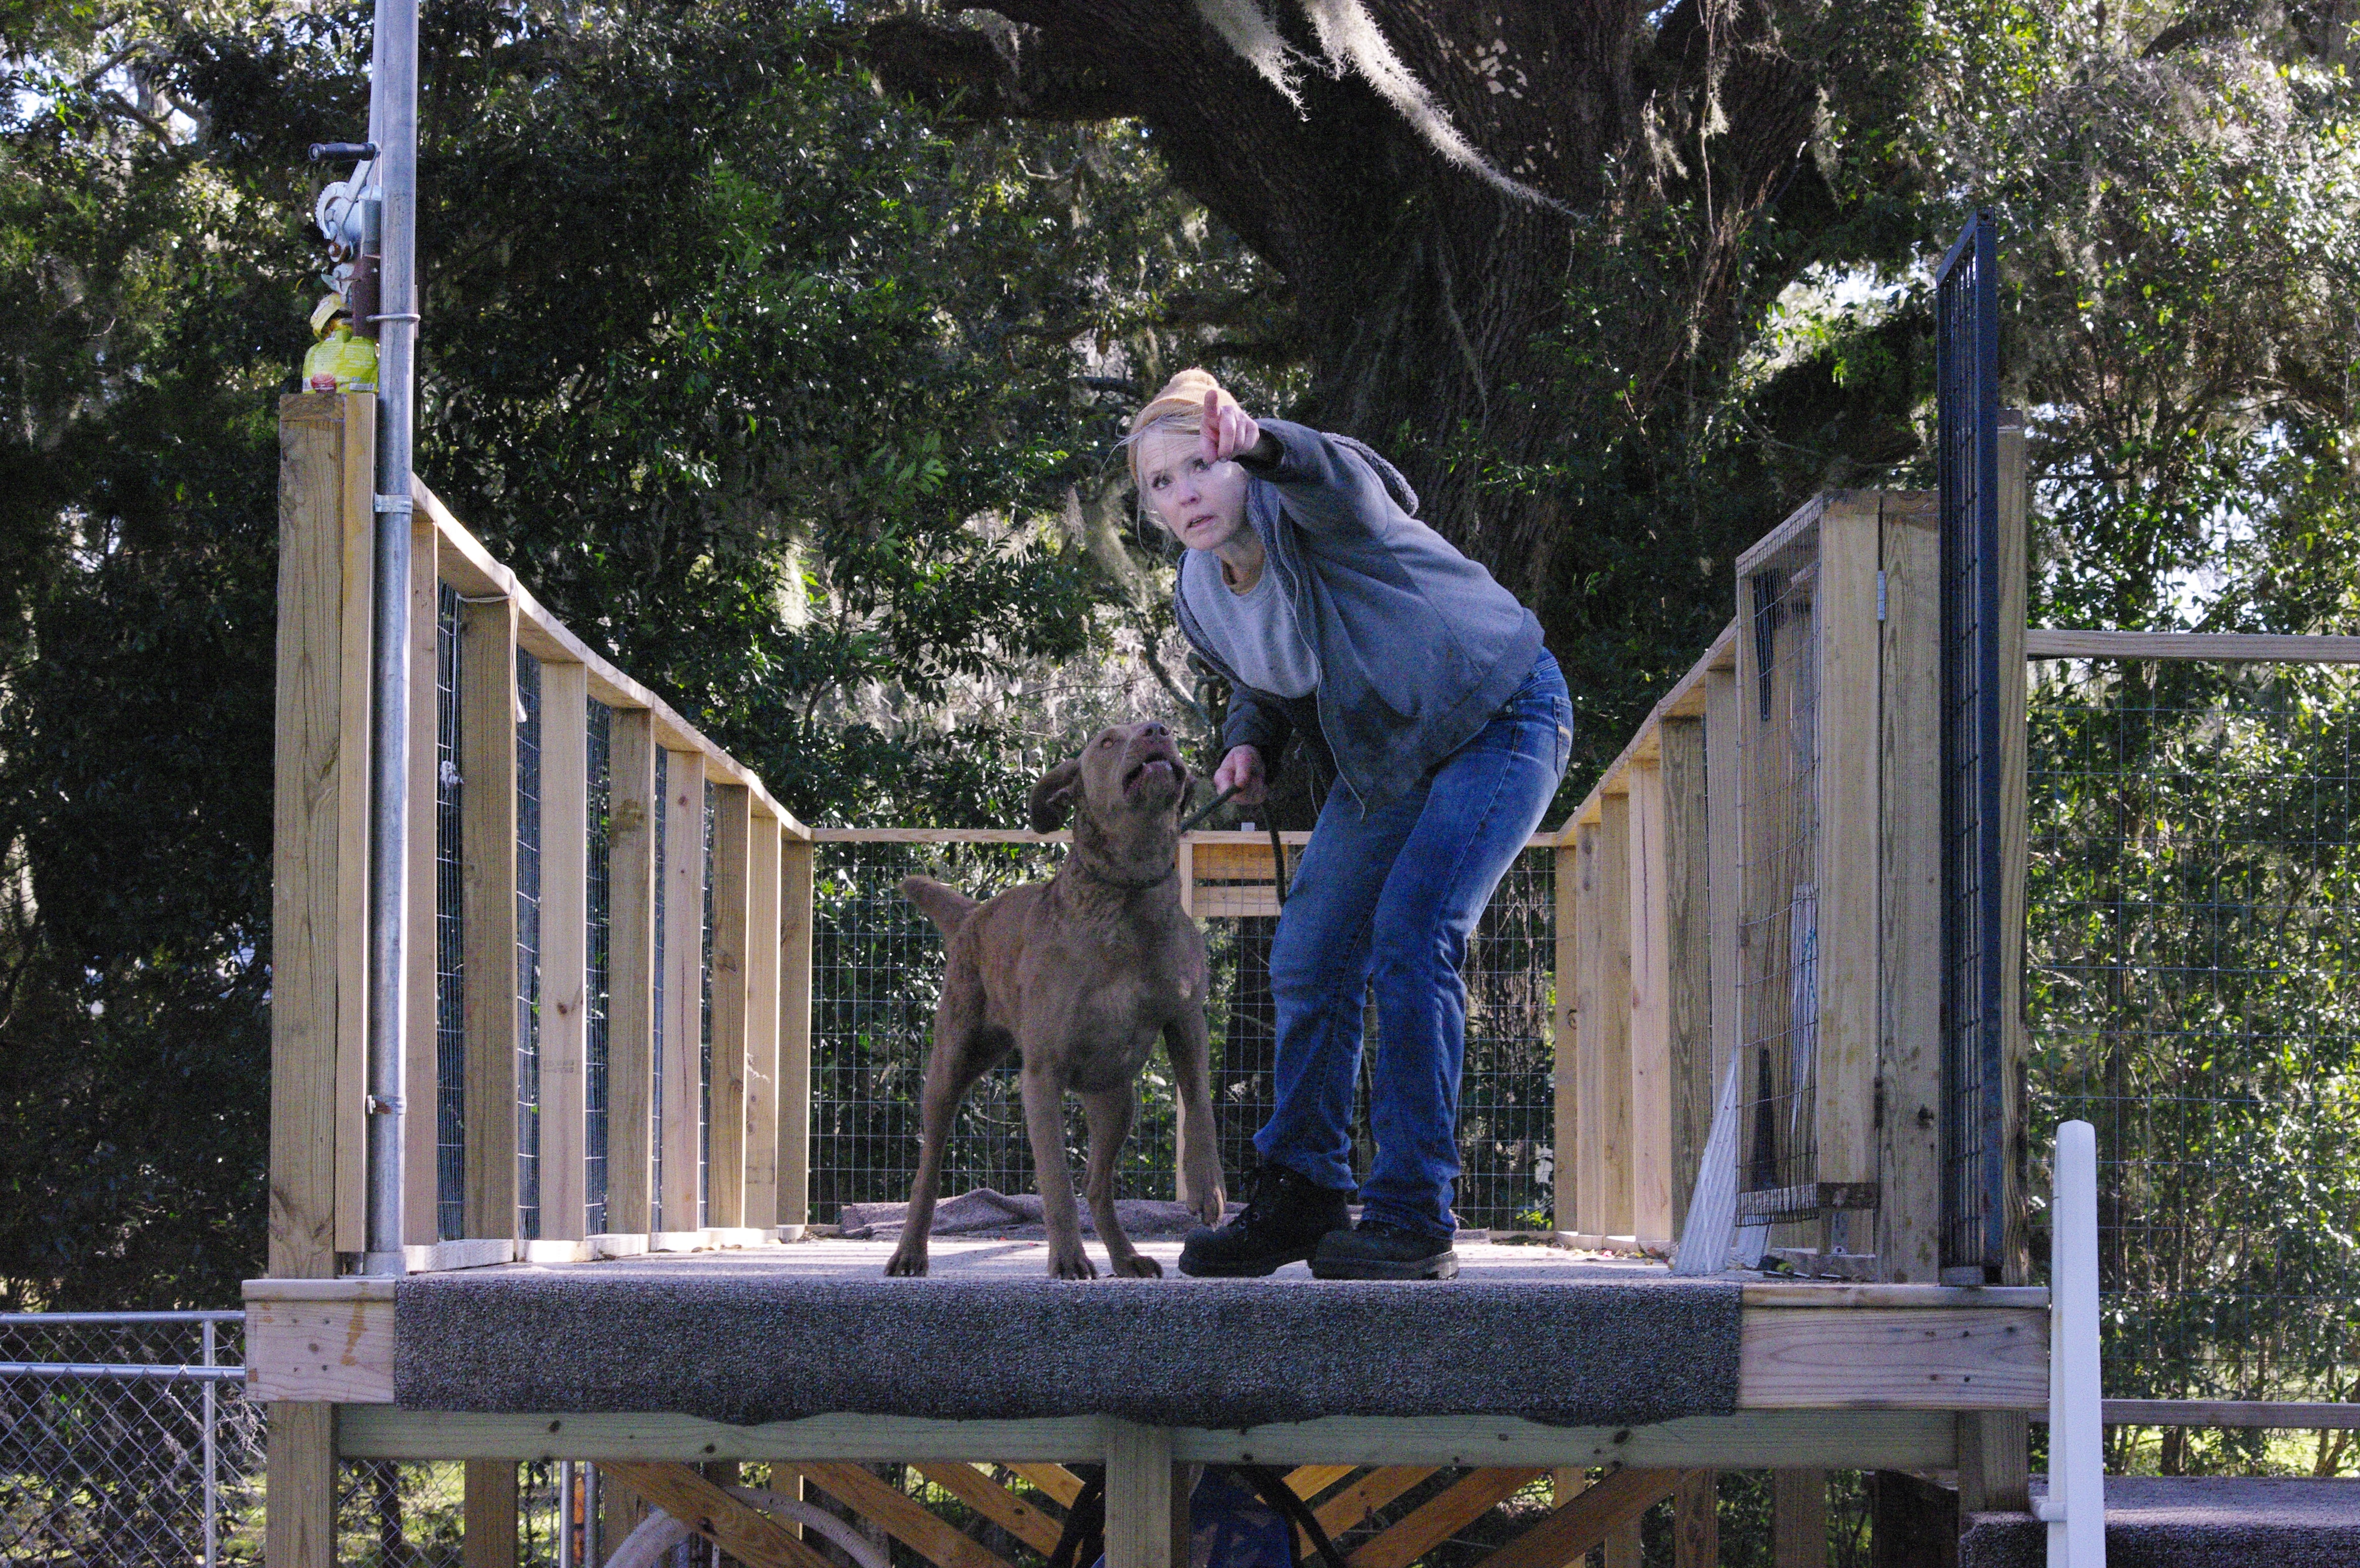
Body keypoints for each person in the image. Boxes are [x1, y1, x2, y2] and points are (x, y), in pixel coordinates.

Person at [1124, 368, 1571, 1281]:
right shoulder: (1198, 593)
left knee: (1414, 934)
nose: (1186, 495)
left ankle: (1413, 1215)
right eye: (1160, 483)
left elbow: (1343, 480)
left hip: (1501, 711)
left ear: (1241, 460)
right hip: (1390, 755)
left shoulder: (1313, 508)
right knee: (1310, 950)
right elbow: (1264, 671)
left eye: (1202, 466)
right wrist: (1250, 742)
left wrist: (1265, 443)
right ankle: (1303, 1193)